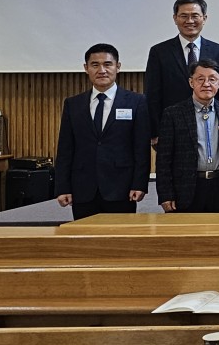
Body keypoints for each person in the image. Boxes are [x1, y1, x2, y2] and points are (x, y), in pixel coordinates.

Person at [55, 43, 150, 219]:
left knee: (119, 234)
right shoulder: (73, 104)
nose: (102, 70)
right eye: (95, 65)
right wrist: (62, 187)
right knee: (84, 234)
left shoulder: (136, 102)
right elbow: (65, 149)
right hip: (82, 188)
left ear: (118, 67)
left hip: (121, 187)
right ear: (86, 68)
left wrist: (139, 184)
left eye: (107, 64)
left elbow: (141, 148)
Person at [155, 59, 219, 213]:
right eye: (200, 79)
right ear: (191, 82)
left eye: (212, 79)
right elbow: (164, 159)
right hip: (185, 189)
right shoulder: (173, 114)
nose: (206, 84)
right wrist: (165, 194)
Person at [144, 0, 219, 142]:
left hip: (210, 126)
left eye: (195, 16)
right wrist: (155, 132)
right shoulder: (159, 52)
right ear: (175, 18)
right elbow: (152, 94)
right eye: (184, 16)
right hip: (172, 127)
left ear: (204, 18)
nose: (190, 21)